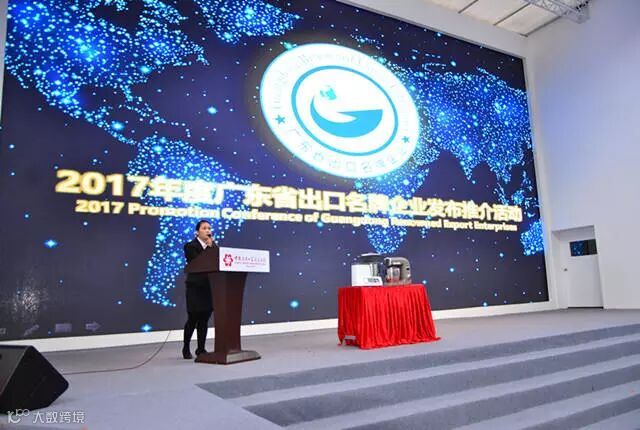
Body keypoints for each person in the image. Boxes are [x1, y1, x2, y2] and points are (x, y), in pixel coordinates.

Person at [182, 220, 216, 359]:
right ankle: (186, 347)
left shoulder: (213, 246)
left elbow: (217, 261)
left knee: (204, 319)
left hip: (209, 287)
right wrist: (209, 248)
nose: (208, 230)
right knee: (193, 318)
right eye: (204, 228)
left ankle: (201, 349)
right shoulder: (190, 246)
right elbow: (198, 262)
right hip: (195, 287)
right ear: (197, 232)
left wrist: (212, 247)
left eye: (209, 228)